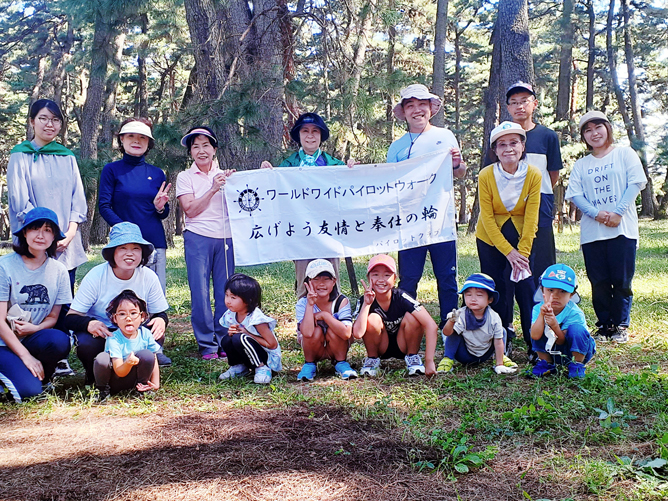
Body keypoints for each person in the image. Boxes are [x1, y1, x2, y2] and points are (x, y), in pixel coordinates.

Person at [7, 99, 87, 376]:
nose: (49, 124)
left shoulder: (67, 156)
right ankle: (22, 349)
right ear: (32, 122)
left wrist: (71, 232)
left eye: (55, 120)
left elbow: (78, 199)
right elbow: (20, 202)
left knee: (62, 297)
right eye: (43, 118)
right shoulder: (21, 155)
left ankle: (59, 355)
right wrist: (46, 234)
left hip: (66, 241)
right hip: (36, 238)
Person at [386, 84, 467, 329]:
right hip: (410, 223)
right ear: (404, 112)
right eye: (410, 105)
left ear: (431, 108)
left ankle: (449, 327)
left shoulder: (446, 136)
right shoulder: (397, 147)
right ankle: (406, 329)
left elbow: (461, 172)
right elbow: (388, 184)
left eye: (422, 104)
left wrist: (456, 164)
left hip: (441, 220)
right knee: (409, 279)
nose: (417, 110)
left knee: (447, 277)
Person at [565, 111, 647, 344]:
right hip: (593, 233)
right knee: (599, 281)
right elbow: (576, 195)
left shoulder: (624, 154)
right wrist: (597, 214)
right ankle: (604, 325)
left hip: (623, 229)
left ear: (608, 128)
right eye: (588, 130)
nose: (594, 133)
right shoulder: (582, 165)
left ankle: (620, 324)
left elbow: (635, 184)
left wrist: (618, 212)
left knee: (622, 280)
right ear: (584, 136)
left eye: (598, 127)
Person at [260, 112, 356, 297]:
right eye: (305, 131)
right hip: (300, 231)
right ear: (298, 136)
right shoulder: (287, 165)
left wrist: (352, 169)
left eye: (315, 131)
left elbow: (348, 192)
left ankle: (335, 319)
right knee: (304, 278)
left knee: (330, 276)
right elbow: (276, 192)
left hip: (329, 231)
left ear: (321, 136)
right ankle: (304, 322)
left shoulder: (334, 164)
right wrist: (267, 173)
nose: (310, 136)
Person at [66, 222, 170, 383]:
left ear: (143, 253)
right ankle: (96, 375)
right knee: (86, 343)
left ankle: (139, 374)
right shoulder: (96, 276)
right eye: (123, 248)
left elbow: (160, 312)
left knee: (154, 331)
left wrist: (161, 320)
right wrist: (89, 323)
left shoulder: (148, 276)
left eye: (135, 248)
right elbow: (71, 317)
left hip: (134, 331)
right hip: (103, 332)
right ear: (112, 252)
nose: (130, 254)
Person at [476, 121, 542, 360]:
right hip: (490, 238)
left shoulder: (534, 174)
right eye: (502, 145)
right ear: (495, 150)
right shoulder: (486, 175)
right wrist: (508, 252)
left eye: (514, 142)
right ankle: (501, 339)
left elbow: (532, 216)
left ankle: (534, 343)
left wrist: (521, 254)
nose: (508, 149)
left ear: (522, 146)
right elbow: (487, 217)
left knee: (526, 289)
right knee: (498, 289)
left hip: (523, 237)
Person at [0, 208, 71, 402]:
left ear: (54, 236)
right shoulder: (4, 266)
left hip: (32, 338)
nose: (41, 235)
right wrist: (25, 356)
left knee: (58, 340)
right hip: (4, 343)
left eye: (48, 230)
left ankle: (41, 376)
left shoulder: (59, 271)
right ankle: (17, 371)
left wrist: (36, 328)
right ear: (24, 232)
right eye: (34, 228)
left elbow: (53, 317)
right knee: (28, 392)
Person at [176, 126, 235, 360]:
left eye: (206, 145)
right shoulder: (185, 177)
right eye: (195, 146)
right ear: (190, 152)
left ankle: (224, 339)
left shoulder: (227, 176)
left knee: (226, 291)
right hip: (198, 236)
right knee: (199, 291)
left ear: (214, 149)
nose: (201, 151)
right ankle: (206, 344)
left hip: (225, 238)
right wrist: (213, 188)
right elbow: (190, 209)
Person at [98, 118, 171, 293]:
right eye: (131, 136)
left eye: (142, 137)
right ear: (122, 139)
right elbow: (104, 206)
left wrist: (160, 207)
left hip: (153, 241)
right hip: (123, 242)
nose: (136, 141)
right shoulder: (111, 170)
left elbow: (163, 213)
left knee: (154, 294)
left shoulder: (157, 173)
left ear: (149, 142)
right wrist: (126, 230)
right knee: (123, 295)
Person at [505, 82, 563, 286]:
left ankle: (545, 308)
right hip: (509, 206)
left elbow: (553, 173)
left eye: (524, 101)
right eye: (514, 102)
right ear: (508, 108)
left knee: (543, 256)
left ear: (534, 104)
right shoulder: (502, 136)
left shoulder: (548, 136)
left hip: (541, 203)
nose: (519, 106)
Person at [352, 254, 437, 377]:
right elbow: (358, 333)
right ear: (368, 278)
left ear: (395, 279)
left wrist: (429, 361)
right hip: (381, 345)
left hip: (403, 343)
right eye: (375, 274)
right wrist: (366, 304)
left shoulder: (401, 296)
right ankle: (372, 359)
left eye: (387, 275)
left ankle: (412, 357)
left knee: (413, 317)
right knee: (372, 319)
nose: (381, 280)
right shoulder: (363, 300)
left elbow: (431, 325)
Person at [438, 273, 518, 374]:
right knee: (455, 332)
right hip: (464, 354)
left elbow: (498, 342)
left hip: (485, 354)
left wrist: (499, 364)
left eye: (479, 295)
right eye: (468, 295)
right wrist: (451, 321)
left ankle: (500, 357)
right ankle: (448, 358)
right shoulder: (461, 314)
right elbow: (447, 333)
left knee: (502, 331)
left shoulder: (494, 317)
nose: (473, 299)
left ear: (490, 299)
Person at [529, 264, 596, 378]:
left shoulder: (574, 312)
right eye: (551, 290)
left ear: (572, 294)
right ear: (542, 290)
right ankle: (547, 364)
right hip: (552, 350)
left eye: (563, 291)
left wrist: (554, 325)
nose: (555, 296)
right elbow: (535, 336)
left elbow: (562, 341)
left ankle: (577, 365)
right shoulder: (538, 309)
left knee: (576, 330)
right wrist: (542, 315)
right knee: (536, 327)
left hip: (576, 349)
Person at [295, 259, 357, 381]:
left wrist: (325, 316)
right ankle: (309, 363)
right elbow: (307, 333)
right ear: (307, 282)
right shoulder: (303, 303)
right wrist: (310, 305)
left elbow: (346, 333)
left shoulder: (341, 301)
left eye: (326, 279)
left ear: (334, 281)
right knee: (315, 331)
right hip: (314, 347)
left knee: (335, 329)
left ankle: (341, 362)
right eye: (316, 279)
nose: (321, 284)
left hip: (336, 346)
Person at [93, 290, 161, 401]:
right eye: (122, 314)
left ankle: (143, 388)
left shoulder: (146, 334)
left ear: (142, 316)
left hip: (135, 378)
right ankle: (102, 390)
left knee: (147, 354)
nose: (128, 318)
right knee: (102, 358)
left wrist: (155, 383)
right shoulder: (113, 338)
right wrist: (128, 363)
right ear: (115, 318)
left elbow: (154, 359)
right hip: (116, 379)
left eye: (133, 313)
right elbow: (120, 371)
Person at [218, 274, 281, 385]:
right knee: (227, 339)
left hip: (266, 357)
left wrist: (248, 334)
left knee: (240, 338)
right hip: (248, 352)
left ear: (248, 300)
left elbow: (272, 344)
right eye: (226, 295)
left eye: (233, 297)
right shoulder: (231, 314)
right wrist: (232, 333)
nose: (228, 301)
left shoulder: (256, 318)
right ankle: (239, 367)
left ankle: (262, 368)